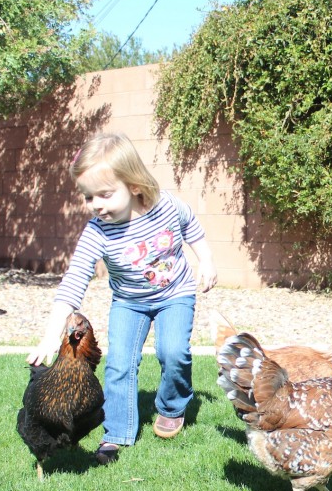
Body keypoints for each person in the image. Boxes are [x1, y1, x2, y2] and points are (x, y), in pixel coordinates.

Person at [28, 132, 217, 464]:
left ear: (134, 184)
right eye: (88, 197)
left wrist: (207, 260)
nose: (96, 205)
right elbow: (73, 282)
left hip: (176, 293)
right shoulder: (97, 232)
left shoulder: (167, 206)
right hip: (129, 302)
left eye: (105, 194)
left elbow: (192, 228)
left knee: (173, 352)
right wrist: (49, 335)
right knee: (118, 364)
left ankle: (172, 407)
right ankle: (116, 432)